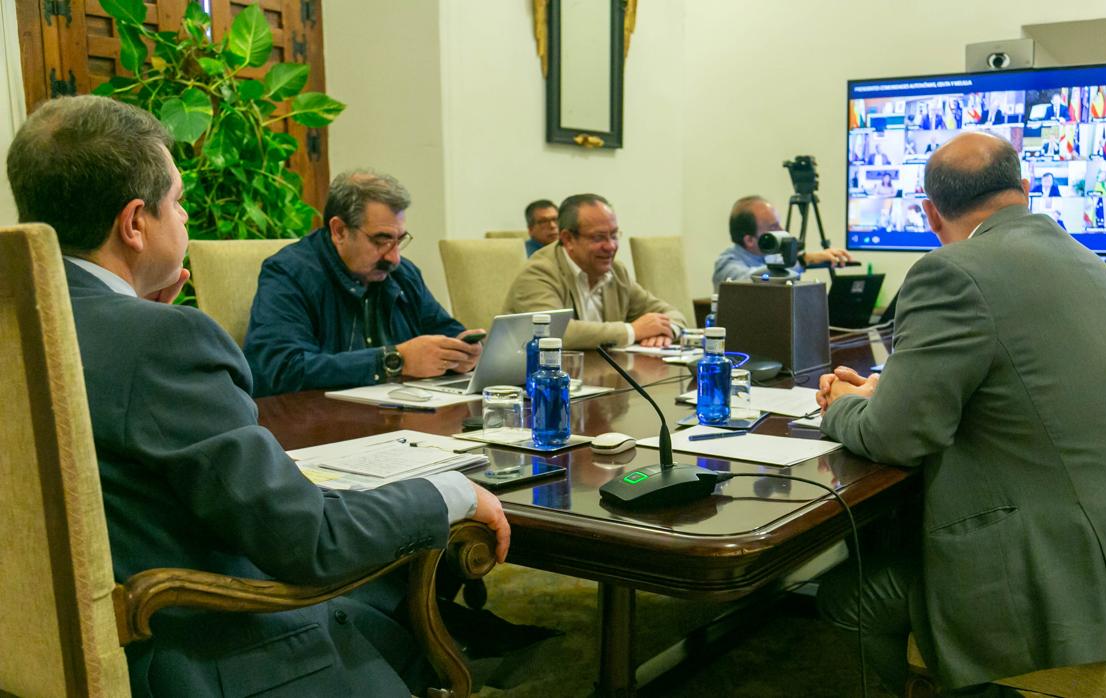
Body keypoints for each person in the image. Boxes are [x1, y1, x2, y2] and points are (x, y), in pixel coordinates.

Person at [6, 94, 511, 697]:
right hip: (197, 654)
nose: (187, 220)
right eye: (180, 204)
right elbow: (308, 541)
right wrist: (451, 492)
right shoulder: (162, 341)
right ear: (136, 223)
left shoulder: (32, 324)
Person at [815, 132, 1106, 694]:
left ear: (930, 214)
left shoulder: (949, 270)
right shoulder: (1088, 263)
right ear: (1024, 189)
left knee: (853, 598)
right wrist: (892, 392)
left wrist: (843, 408)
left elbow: (896, 439)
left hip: (1075, 577)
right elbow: (1029, 388)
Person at [244, 170, 484, 397]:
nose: (394, 257)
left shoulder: (403, 274)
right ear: (339, 231)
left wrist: (463, 353)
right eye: (382, 240)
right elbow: (282, 371)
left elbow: (444, 330)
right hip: (320, 425)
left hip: (399, 420)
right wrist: (396, 360)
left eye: (399, 240)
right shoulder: (289, 274)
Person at [503, 193, 687, 349]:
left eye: (614, 235)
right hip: (538, 385)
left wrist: (666, 330)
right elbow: (554, 332)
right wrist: (633, 331)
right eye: (599, 237)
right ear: (567, 239)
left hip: (605, 379)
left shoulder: (616, 271)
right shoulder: (540, 272)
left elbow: (670, 312)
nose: (610, 246)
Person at [712, 196, 853, 288]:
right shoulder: (727, 264)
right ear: (749, 240)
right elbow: (757, 280)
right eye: (773, 227)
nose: (782, 231)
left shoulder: (771, 259)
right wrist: (803, 260)